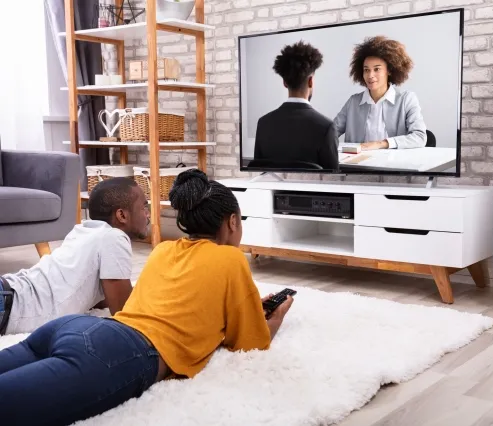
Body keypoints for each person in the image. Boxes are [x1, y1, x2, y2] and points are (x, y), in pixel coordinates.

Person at [0, 169, 294, 426]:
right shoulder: (232, 259)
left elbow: (188, 302)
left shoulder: (164, 250)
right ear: (232, 222)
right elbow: (249, 342)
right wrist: (272, 322)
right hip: (119, 352)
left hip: (71, 327)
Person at [0, 177, 149, 335]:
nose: (147, 214)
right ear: (121, 215)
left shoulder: (85, 230)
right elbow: (124, 313)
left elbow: (99, 298)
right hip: (9, 304)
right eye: (144, 207)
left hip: (8, 292)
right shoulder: (114, 237)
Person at [253, 41, 339, 171]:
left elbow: (259, 173)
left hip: (272, 191)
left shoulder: (263, 123)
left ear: (285, 83)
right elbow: (334, 181)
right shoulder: (326, 127)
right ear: (310, 81)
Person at [334, 36, 427, 150]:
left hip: (393, 165)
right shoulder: (353, 102)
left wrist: (381, 144)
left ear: (389, 71)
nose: (370, 75)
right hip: (357, 165)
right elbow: (332, 132)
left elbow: (419, 137)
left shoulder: (406, 99)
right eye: (366, 70)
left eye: (377, 69)